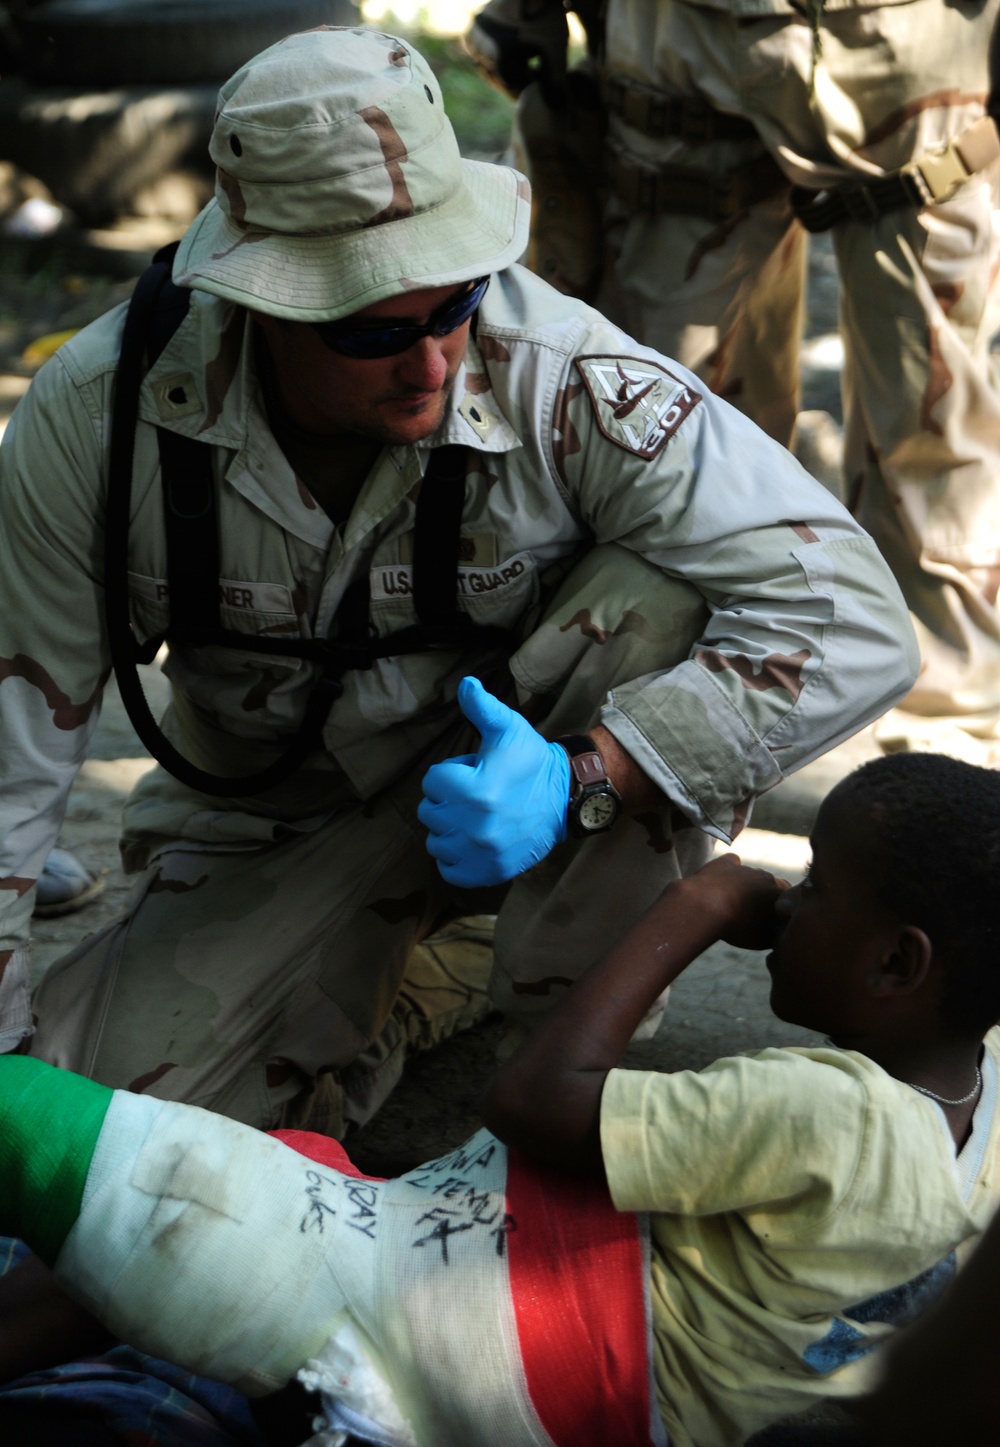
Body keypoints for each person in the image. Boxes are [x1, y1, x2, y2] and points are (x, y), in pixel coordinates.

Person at [0, 25, 915, 1129]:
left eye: (452, 303)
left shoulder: (562, 375)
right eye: (377, 328)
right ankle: (409, 981)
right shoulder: (101, 418)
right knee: (99, 1123)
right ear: (258, 301)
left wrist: (590, 771)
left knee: (664, 594)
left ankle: (566, 1059)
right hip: (276, 819)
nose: (433, 361)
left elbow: (856, 615)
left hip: (553, 809)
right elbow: (14, 753)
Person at [1, 749, 999, 1447]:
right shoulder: (973, 1122)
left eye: (819, 887)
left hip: (460, 1359)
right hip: (600, 1397)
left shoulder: (833, 1113)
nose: (788, 894)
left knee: (115, 1164)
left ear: (894, 963)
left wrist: (687, 911)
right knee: (298, 1152)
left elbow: (534, 1098)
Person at [467, 0, 1000, 752]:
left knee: (933, 419)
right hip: (682, 43)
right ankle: (658, 738)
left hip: (915, 46)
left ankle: (936, 758)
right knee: (653, 428)